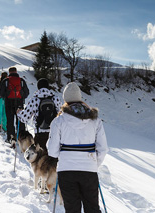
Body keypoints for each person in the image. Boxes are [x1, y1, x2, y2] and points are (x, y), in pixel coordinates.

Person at [46, 82, 108, 213]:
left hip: (66, 170)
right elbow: (103, 149)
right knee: (92, 208)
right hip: (89, 170)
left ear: (65, 100)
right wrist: (94, 164)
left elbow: (52, 151)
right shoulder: (95, 120)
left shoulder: (58, 121)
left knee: (72, 209)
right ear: (80, 98)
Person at [16, 78, 61, 148]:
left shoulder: (34, 100)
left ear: (38, 87)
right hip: (54, 133)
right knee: (54, 157)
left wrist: (19, 113)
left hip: (40, 134)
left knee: (41, 157)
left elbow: (24, 118)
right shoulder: (55, 98)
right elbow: (61, 114)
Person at [0, 67, 29, 144]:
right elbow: (27, 92)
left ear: (9, 72)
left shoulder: (6, 80)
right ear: (16, 72)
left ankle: (10, 138)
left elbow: (0, 94)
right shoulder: (21, 81)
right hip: (19, 103)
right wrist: (21, 97)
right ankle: (21, 138)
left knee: (10, 121)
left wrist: (6, 95)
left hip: (8, 103)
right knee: (20, 121)